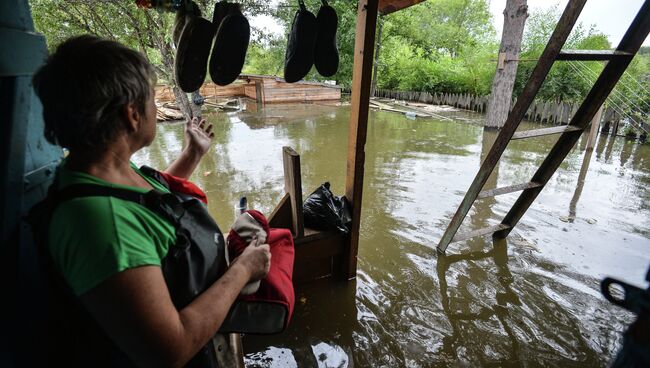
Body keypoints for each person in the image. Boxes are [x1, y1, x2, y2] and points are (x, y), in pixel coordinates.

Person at [32, 35, 271, 367]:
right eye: (151, 101)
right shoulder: (102, 225)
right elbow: (171, 348)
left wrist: (191, 155)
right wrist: (244, 269)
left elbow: (149, 208)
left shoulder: (102, 168)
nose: (155, 109)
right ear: (132, 115)